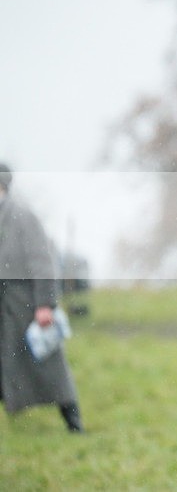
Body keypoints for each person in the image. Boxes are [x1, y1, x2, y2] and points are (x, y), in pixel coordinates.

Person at [0, 163, 84, 432]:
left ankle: (74, 423)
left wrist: (45, 304)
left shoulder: (23, 217)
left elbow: (42, 262)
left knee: (50, 369)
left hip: (24, 309)